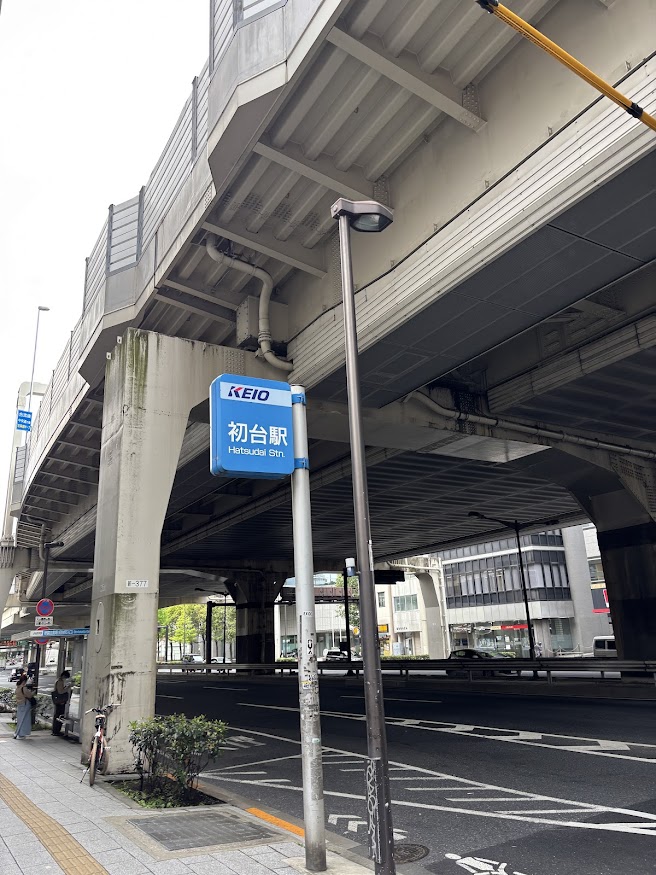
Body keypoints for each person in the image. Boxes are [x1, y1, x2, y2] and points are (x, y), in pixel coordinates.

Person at [14, 673, 35, 739]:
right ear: (24, 681)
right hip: (25, 704)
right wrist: (33, 692)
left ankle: (17, 733)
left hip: (20, 704)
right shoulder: (23, 688)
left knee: (20, 719)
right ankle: (21, 734)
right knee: (24, 720)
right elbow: (29, 695)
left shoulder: (18, 687)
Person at [51, 671, 71, 736]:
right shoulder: (60, 681)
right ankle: (56, 730)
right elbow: (60, 691)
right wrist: (67, 688)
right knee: (59, 715)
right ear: (64, 676)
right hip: (60, 701)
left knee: (57, 715)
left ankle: (56, 730)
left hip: (58, 701)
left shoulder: (58, 680)